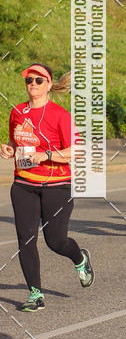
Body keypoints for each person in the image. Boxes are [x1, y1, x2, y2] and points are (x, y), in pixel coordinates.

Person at [0, 63, 93, 311]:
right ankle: (35, 294)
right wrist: (8, 148)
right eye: (29, 80)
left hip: (57, 185)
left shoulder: (60, 115)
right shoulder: (17, 112)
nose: (33, 84)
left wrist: (47, 155)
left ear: (49, 85)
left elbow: (78, 150)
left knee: (56, 241)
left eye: (39, 80)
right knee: (26, 240)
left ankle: (79, 258)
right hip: (23, 184)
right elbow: (15, 139)